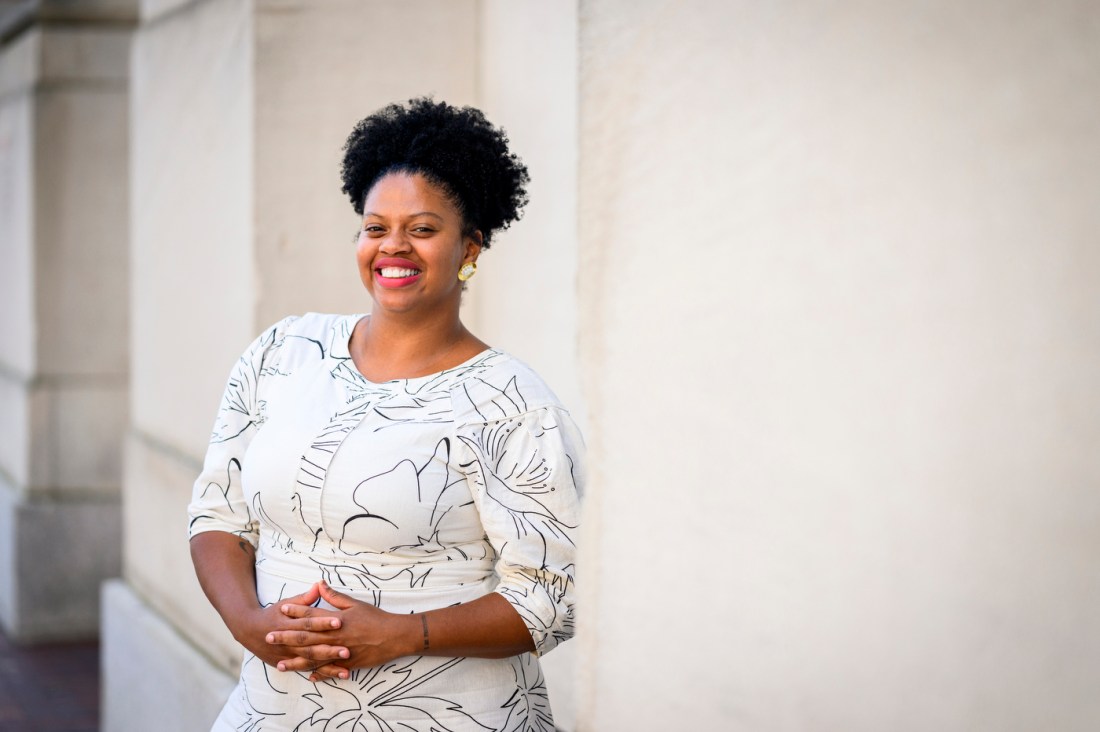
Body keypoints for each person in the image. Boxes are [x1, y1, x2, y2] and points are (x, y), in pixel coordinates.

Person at [187, 98, 584, 731]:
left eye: (422, 229)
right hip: (274, 710)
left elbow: (549, 602)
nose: (393, 246)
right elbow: (217, 514)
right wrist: (249, 624)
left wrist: (402, 635)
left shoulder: (513, 403)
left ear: (470, 246)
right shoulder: (285, 352)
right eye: (376, 227)